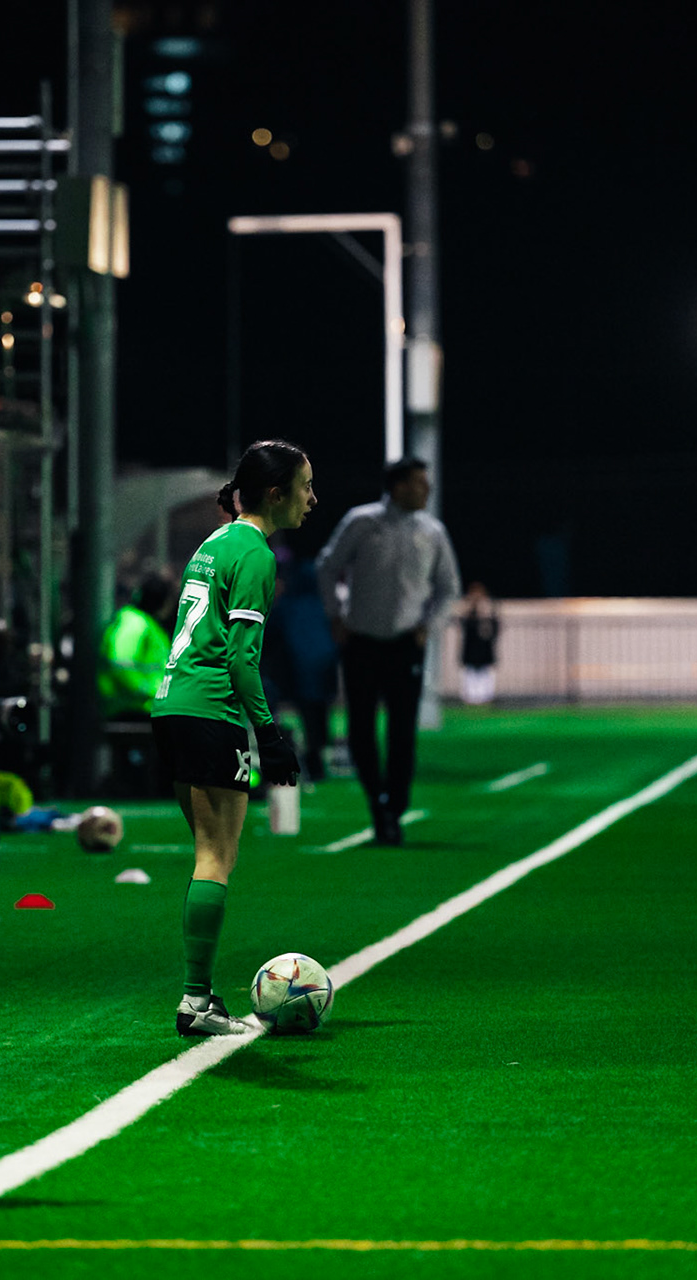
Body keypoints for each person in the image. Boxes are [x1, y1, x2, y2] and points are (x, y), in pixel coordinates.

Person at [151, 440, 315, 1036]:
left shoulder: (214, 542)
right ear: (275, 494)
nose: (311, 499)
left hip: (172, 704)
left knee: (206, 856)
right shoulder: (255, 553)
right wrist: (270, 733)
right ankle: (196, 1001)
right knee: (217, 858)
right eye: (304, 487)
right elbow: (243, 661)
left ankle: (201, 997)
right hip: (210, 711)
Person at [314, 457, 460, 845]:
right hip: (361, 641)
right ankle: (377, 802)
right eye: (418, 483)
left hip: (404, 645)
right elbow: (327, 566)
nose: (426, 490)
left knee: (402, 731)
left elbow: (449, 588)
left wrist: (429, 627)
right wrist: (335, 615)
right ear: (397, 487)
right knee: (361, 728)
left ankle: (394, 804)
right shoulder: (362, 522)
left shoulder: (432, 532)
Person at [261, 556, 338, 781]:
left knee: (308, 716)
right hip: (324, 671)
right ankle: (321, 757)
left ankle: (313, 760)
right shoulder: (323, 605)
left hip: (300, 673)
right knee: (321, 715)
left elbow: (270, 633)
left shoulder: (288, 605)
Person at [99, 574, 174, 719]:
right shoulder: (135, 622)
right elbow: (120, 663)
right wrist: (148, 691)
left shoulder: (144, 623)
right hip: (132, 709)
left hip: (139, 707)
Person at [458, 582, 500, 706]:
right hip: (471, 650)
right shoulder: (468, 611)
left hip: (485, 650)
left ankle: (486, 698)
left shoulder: (489, 610)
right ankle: (470, 698)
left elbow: (495, 629)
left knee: (485, 676)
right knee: (470, 676)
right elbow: (464, 626)